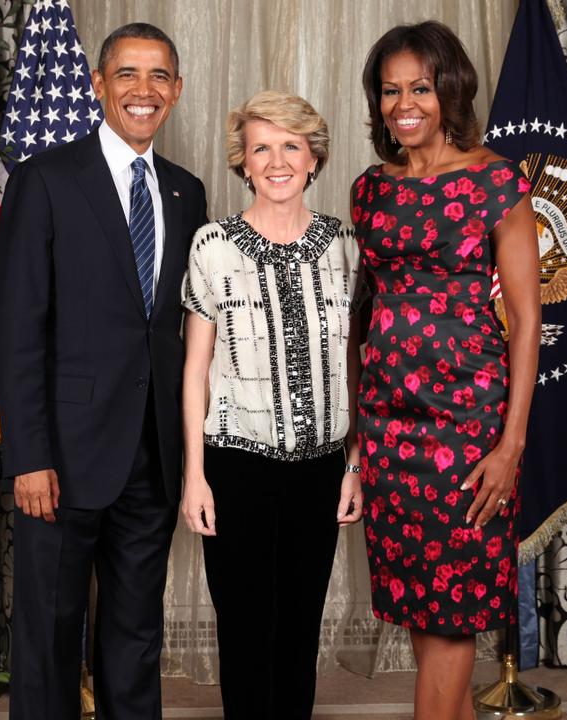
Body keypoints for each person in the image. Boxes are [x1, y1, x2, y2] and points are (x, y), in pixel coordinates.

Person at [0, 22, 208, 720]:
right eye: (127, 75)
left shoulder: (186, 191)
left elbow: (174, 329)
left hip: (151, 453)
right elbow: (18, 330)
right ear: (98, 86)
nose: (142, 91)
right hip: (61, 457)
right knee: (50, 634)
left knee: (135, 636)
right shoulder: (47, 179)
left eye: (158, 78)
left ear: (175, 92)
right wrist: (28, 457)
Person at [351, 21, 541, 720]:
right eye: (391, 90)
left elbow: (526, 320)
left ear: (449, 90)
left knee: (454, 613)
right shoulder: (369, 189)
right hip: (387, 426)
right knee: (427, 616)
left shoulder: (497, 181)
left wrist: (510, 444)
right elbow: (361, 315)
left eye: (421, 88)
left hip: (469, 426)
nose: (405, 103)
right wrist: (355, 435)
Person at [179, 90, 363, 720]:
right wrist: (195, 476)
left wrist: (354, 464)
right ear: (244, 162)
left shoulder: (348, 247)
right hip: (235, 465)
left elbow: (362, 365)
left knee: (299, 625)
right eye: (262, 147)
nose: (277, 160)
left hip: (321, 466)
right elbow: (195, 369)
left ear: (314, 158)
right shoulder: (213, 247)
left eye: (292, 145)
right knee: (244, 627)